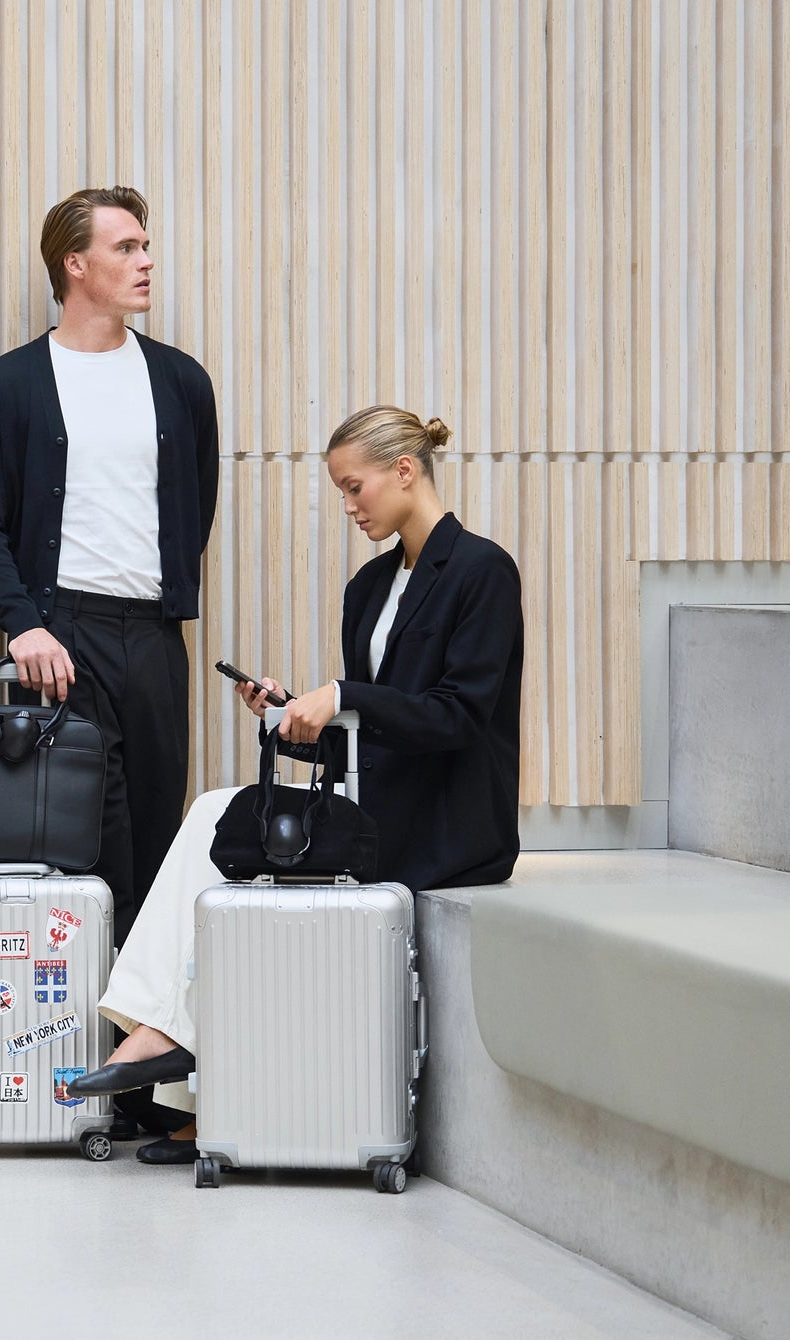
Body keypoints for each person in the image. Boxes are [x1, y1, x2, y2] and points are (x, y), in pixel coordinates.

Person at [64, 405, 524, 1166]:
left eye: (355, 487)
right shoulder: (371, 586)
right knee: (220, 812)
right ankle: (178, 1069)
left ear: (405, 471)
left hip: (445, 822)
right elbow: (370, 738)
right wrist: (294, 719)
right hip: (374, 803)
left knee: (222, 819)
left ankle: (167, 1051)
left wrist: (341, 696)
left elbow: (457, 720)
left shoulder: (481, 571)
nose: (349, 506)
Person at [0, 186, 219, 1141]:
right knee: (81, 851)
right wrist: (23, 625)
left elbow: (197, 506)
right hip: (54, 640)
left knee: (155, 840)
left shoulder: (181, 383)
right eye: (128, 245)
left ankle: (148, 1091)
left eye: (147, 243)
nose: (147, 259)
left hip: (150, 636)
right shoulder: (13, 385)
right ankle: (59, 1071)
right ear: (76, 264)